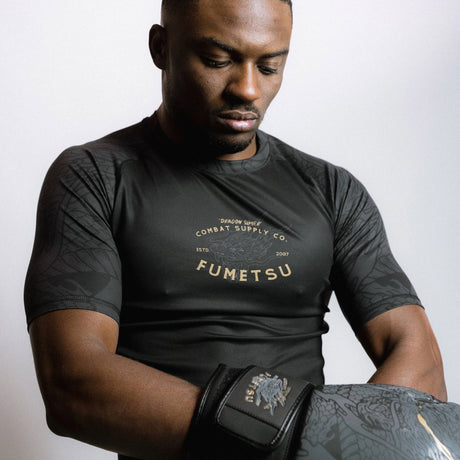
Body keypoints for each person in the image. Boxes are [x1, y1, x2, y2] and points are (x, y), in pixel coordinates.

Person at [24, 0, 447, 459]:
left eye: (269, 67)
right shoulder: (95, 177)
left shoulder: (331, 191)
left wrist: (330, 445)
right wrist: (297, 439)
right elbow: (73, 384)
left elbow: (419, 362)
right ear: (161, 47)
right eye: (217, 60)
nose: (247, 89)